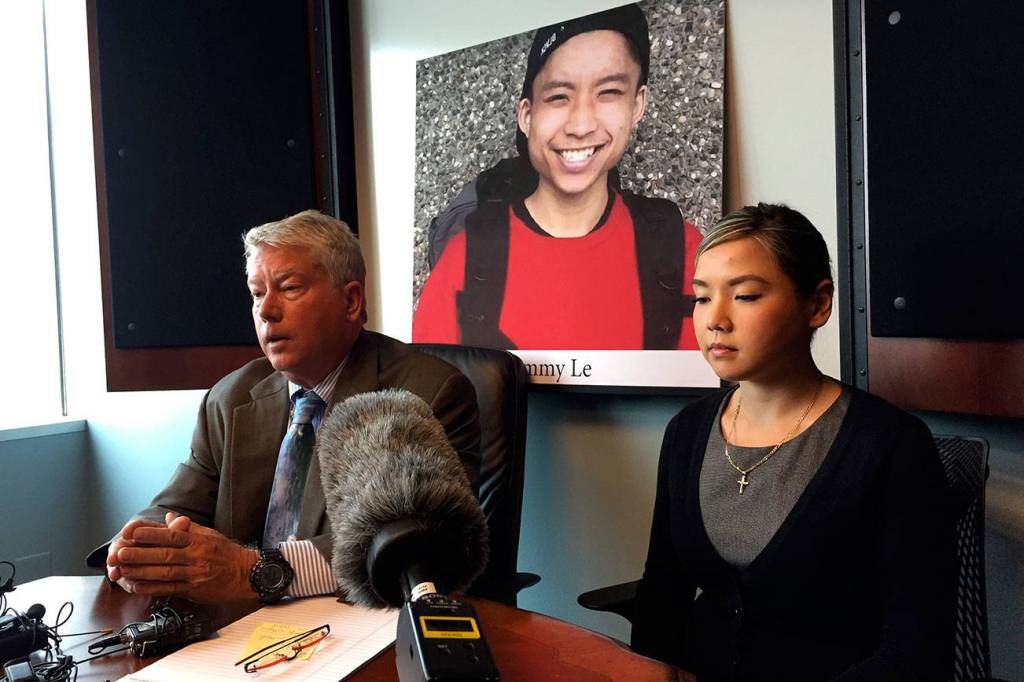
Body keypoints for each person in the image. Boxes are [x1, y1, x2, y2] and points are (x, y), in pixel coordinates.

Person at [87, 210, 481, 604]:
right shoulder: (230, 399)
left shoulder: (426, 393)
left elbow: (410, 540)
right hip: (243, 632)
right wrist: (139, 545)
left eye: (289, 288)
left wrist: (251, 571)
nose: (266, 310)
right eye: (257, 293)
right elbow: (175, 507)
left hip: (357, 628)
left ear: (351, 300)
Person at [631, 204, 955, 680]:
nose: (715, 320)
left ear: (817, 303)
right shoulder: (687, 432)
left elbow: (916, 648)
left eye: (744, 296)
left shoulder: (890, 445)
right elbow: (662, 596)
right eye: (701, 298)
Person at [412, 3, 702, 351]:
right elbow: (429, 398)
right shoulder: (467, 257)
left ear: (637, 104)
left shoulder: (681, 250)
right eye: (559, 97)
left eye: (609, 93)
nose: (581, 125)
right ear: (527, 116)